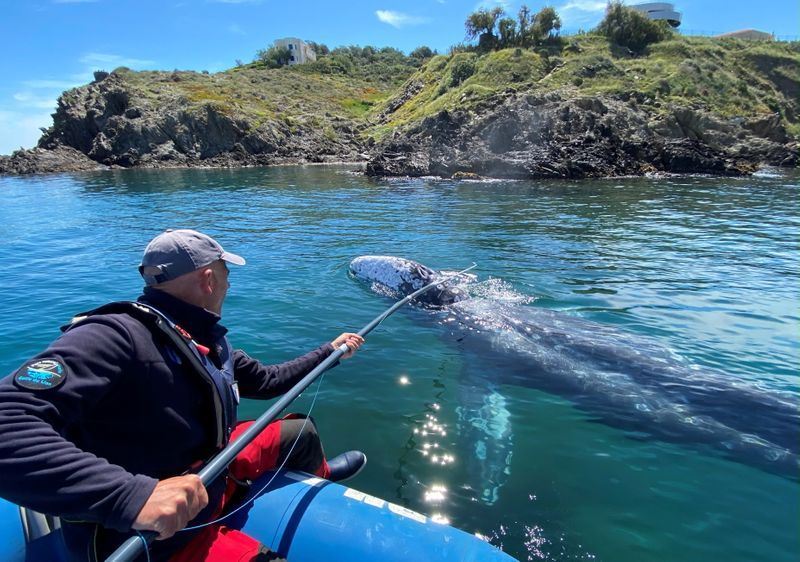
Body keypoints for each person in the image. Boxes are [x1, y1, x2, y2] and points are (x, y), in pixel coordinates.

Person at [0, 229, 366, 562]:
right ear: (208, 279)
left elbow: (267, 381)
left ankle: (319, 477)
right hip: (156, 537)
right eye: (227, 275)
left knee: (298, 430)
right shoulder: (113, 336)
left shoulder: (206, 337)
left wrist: (328, 352)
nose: (229, 285)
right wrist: (129, 495)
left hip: (209, 473)